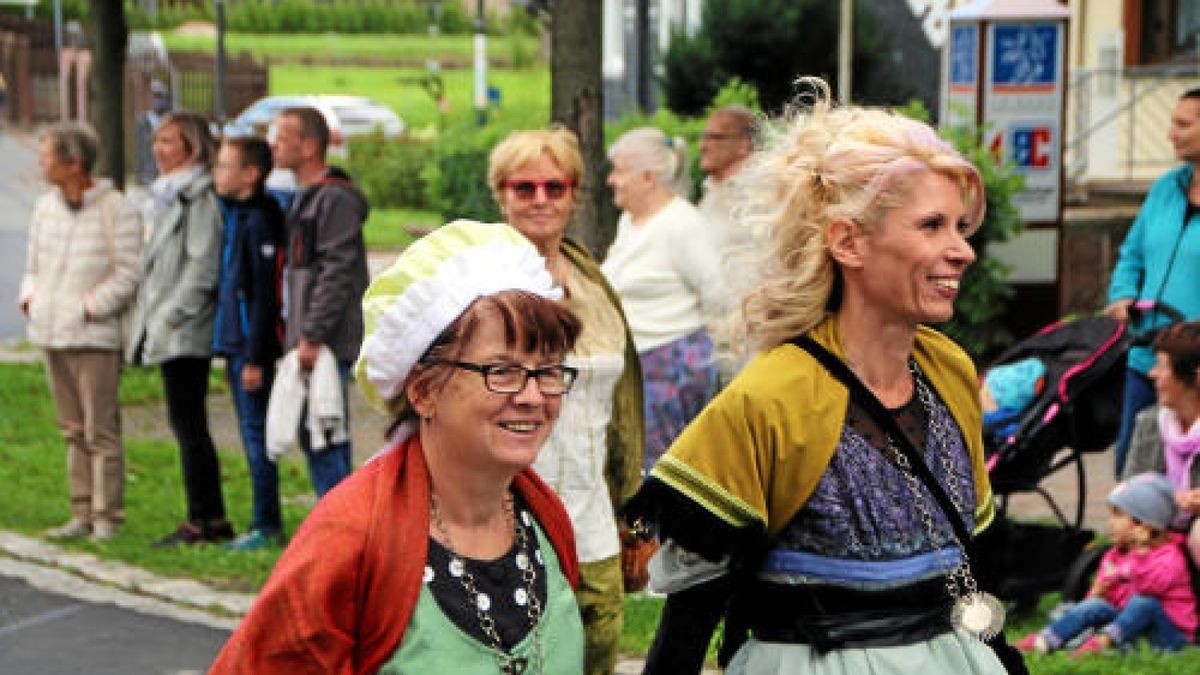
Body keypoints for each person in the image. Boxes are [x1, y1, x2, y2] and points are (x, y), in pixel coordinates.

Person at [622, 79, 1015, 675]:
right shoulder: (771, 395)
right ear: (849, 241)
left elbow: (972, 569)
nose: (962, 251)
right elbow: (690, 617)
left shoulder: (950, 372)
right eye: (932, 225)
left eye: (961, 228)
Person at [210, 220, 585, 674]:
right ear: (423, 391)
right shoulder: (351, 538)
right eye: (501, 370)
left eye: (547, 370)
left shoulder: (545, 521)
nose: (532, 395)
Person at [488, 128, 644, 675]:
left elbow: (624, 415)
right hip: (505, 521)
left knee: (596, 658)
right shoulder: (480, 285)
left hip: (594, 528)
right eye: (524, 186)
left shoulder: (596, 287)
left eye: (554, 186)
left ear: (575, 194)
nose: (540, 199)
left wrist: (636, 522)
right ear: (501, 195)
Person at [19, 123, 141, 543]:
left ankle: (108, 515)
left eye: (48, 155)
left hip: (93, 335)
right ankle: (81, 508)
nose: (42, 163)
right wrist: (31, 295)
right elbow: (34, 263)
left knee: (99, 430)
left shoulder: (115, 207)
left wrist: (91, 307)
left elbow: (128, 272)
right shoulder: (45, 206)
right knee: (71, 428)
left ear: (74, 164)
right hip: (51, 330)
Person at [127, 111, 233, 546]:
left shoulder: (197, 197)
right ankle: (204, 515)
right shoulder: (167, 195)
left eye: (168, 141)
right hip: (168, 324)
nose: (158, 149)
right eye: (156, 141)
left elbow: (201, 268)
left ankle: (205, 519)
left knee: (190, 426)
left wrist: (168, 316)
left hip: (185, 329)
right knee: (184, 424)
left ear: (191, 145)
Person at [601, 126, 724, 471]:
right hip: (635, 363)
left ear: (649, 178)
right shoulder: (629, 222)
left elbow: (717, 292)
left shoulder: (682, 224)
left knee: (663, 470)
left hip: (672, 367)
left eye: (620, 170)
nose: (612, 180)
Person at [269, 106, 369, 496]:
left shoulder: (334, 200)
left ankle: (345, 532)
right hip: (304, 337)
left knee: (326, 432)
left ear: (309, 146)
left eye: (282, 138)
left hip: (325, 340)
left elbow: (336, 270)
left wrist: (313, 334)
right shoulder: (303, 198)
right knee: (311, 432)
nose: (274, 146)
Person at [1104, 88, 1200, 479]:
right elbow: (1132, 254)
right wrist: (1122, 294)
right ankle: (1133, 539)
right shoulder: (1165, 189)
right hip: (1146, 356)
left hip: (1193, 366)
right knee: (1132, 465)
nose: (1171, 133)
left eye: (1184, 124)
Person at [1016, 473, 1196, 657]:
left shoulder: (1170, 556)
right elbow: (1112, 594)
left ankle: (1102, 645)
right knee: (1094, 605)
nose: (1110, 522)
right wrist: (1098, 593)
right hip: (1128, 624)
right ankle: (1045, 640)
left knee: (1144, 603)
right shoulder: (1115, 555)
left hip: (1168, 633)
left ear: (1144, 525)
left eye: (1118, 515)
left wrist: (1140, 553)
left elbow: (1147, 587)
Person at [211, 136, 287, 551]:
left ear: (250, 174)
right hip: (234, 344)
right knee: (248, 431)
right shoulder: (238, 214)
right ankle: (262, 518)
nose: (217, 174)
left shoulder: (260, 220)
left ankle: (266, 523)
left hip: (250, 349)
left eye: (225, 166)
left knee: (257, 435)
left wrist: (256, 357)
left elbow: (262, 298)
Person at [1122, 321, 1200, 562]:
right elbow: (1128, 493)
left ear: (1195, 377)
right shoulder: (1149, 423)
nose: (1151, 373)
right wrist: (1166, 498)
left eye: (1161, 366)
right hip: (1156, 541)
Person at [698, 104, 758, 261]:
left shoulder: (760, 193)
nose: (702, 146)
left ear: (744, 144)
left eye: (713, 137)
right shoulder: (711, 187)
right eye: (703, 137)